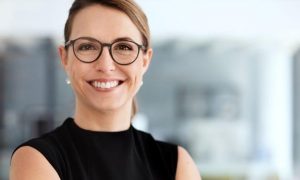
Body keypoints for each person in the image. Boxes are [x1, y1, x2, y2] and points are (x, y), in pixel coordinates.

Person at [9, 0, 201, 179]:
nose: (106, 65)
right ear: (65, 58)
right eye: (87, 46)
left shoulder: (176, 162)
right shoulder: (36, 158)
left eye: (124, 47)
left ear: (145, 60)